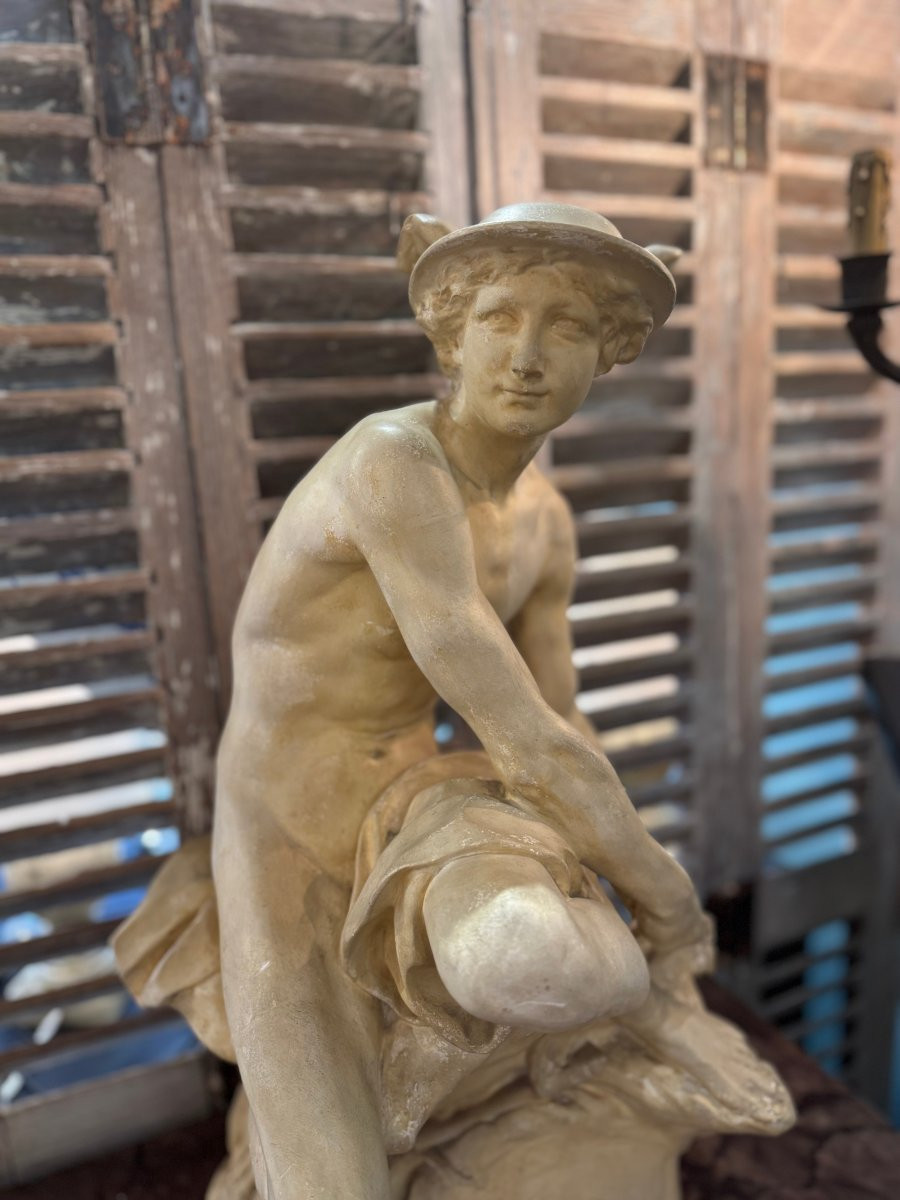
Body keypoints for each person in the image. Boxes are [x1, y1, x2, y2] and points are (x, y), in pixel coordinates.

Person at [115, 204, 792, 1200]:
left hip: (428, 802)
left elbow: (557, 727)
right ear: (451, 332)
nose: (526, 355)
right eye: (499, 318)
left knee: (545, 953)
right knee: (328, 1182)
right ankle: (433, 1054)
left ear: (607, 353)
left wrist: (631, 893)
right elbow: (529, 742)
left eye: (565, 328)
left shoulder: (545, 525)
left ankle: (615, 1021)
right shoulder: (391, 466)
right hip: (289, 832)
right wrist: (671, 903)